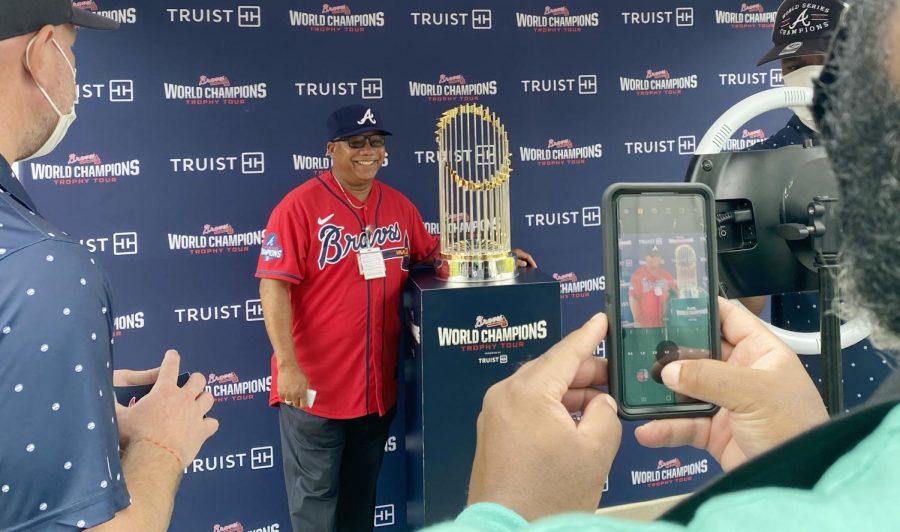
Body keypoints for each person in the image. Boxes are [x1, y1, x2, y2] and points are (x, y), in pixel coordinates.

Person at [423, 0, 900, 528]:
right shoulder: (752, 160)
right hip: (795, 374)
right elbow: (750, 298)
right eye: (792, 64)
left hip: (878, 372)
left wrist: (503, 515)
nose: (807, 76)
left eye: (825, 58)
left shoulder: (877, 150)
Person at [256, 103, 535, 531]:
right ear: (332, 149)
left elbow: (434, 252)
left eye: (376, 143)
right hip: (313, 389)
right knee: (314, 505)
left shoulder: (397, 206)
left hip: (372, 389)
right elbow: (272, 285)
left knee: (359, 500)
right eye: (356, 143)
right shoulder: (298, 208)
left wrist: (495, 255)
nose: (368, 151)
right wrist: (288, 366)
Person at [0, 2, 218, 530]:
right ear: (39, 50)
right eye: (71, 52)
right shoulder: (43, 266)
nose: (76, 75)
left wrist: (73, 408)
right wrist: (163, 443)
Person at [628, 246, 676, 328]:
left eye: (657, 256)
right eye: (652, 256)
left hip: (663, 326)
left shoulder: (665, 275)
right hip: (644, 326)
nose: (655, 258)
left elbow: (675, 294)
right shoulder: (638, 275)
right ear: (646, 258)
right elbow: (633, 298)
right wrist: (638, 321)